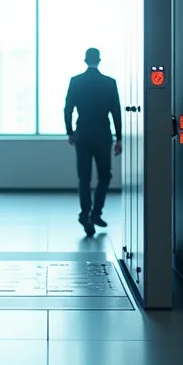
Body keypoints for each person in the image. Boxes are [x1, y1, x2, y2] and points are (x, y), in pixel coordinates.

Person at [64, 47, 123, 237]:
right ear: (99, 60)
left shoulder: (76, 81)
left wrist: (70, 132)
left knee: (84, 177)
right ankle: (96, 213)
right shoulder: (109, 83)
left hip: (83, 134)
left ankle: (85, 214)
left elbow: (68, 109)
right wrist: (119, 137)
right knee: (105, 175)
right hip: (103, 135)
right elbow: (116, 112)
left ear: (85, 60)